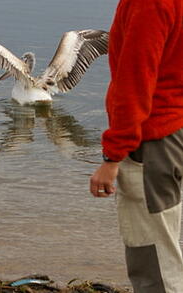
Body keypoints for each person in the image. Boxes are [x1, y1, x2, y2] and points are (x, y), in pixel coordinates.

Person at [89, 0, 183, 292]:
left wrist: (112, 156)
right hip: (175, 128)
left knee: (153, 255)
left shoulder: (150, 3)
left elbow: (135, 79)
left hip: (152, 139)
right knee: (166, 238)